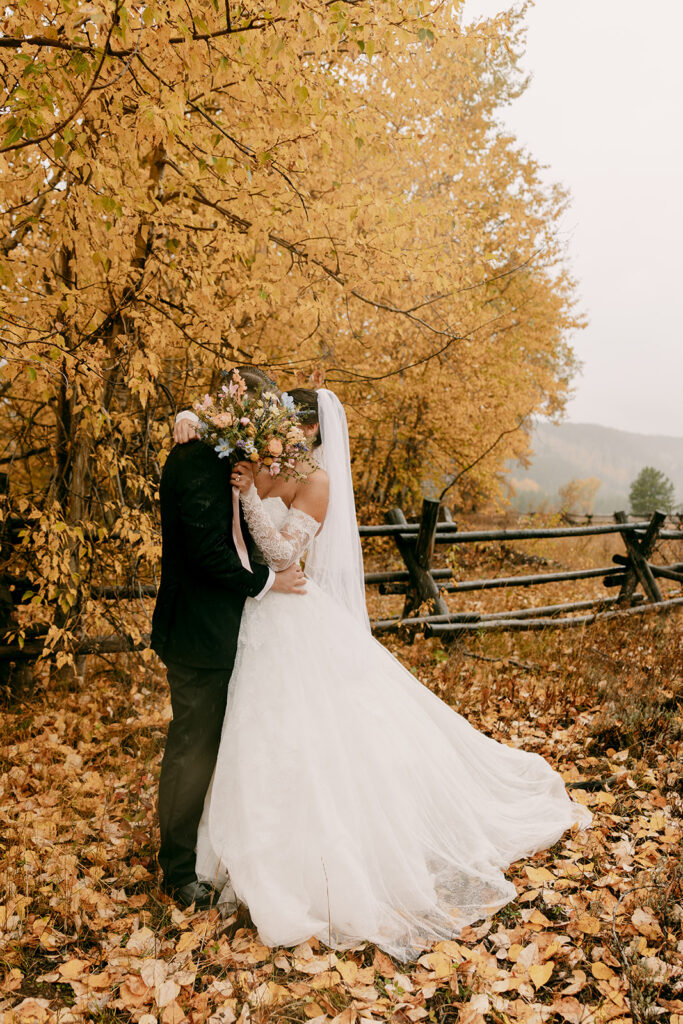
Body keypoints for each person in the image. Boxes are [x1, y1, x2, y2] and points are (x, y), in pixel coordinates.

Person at [173, 387, 591, 961]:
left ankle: (304, 863)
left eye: (295, 425)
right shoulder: (260, 460)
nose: (287, 434)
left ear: (316, 433)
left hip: (288, 613)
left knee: (305, 739)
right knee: (249, 736)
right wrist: (188, 417)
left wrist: (248, 499)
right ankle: (230, 851)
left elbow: (284, 558)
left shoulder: (316, 482)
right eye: (281, 424)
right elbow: (214, 435)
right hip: (242, 617)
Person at [151, 367, 307, 910]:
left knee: (207, 745)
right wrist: (268, 582)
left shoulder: (221, 459)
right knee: (191, 748)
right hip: (198, 631)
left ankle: (197, 851)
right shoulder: (194, 461)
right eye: (259, 424)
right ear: (235, 414)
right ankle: (175, 872)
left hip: (220, 629)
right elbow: (208, 554)